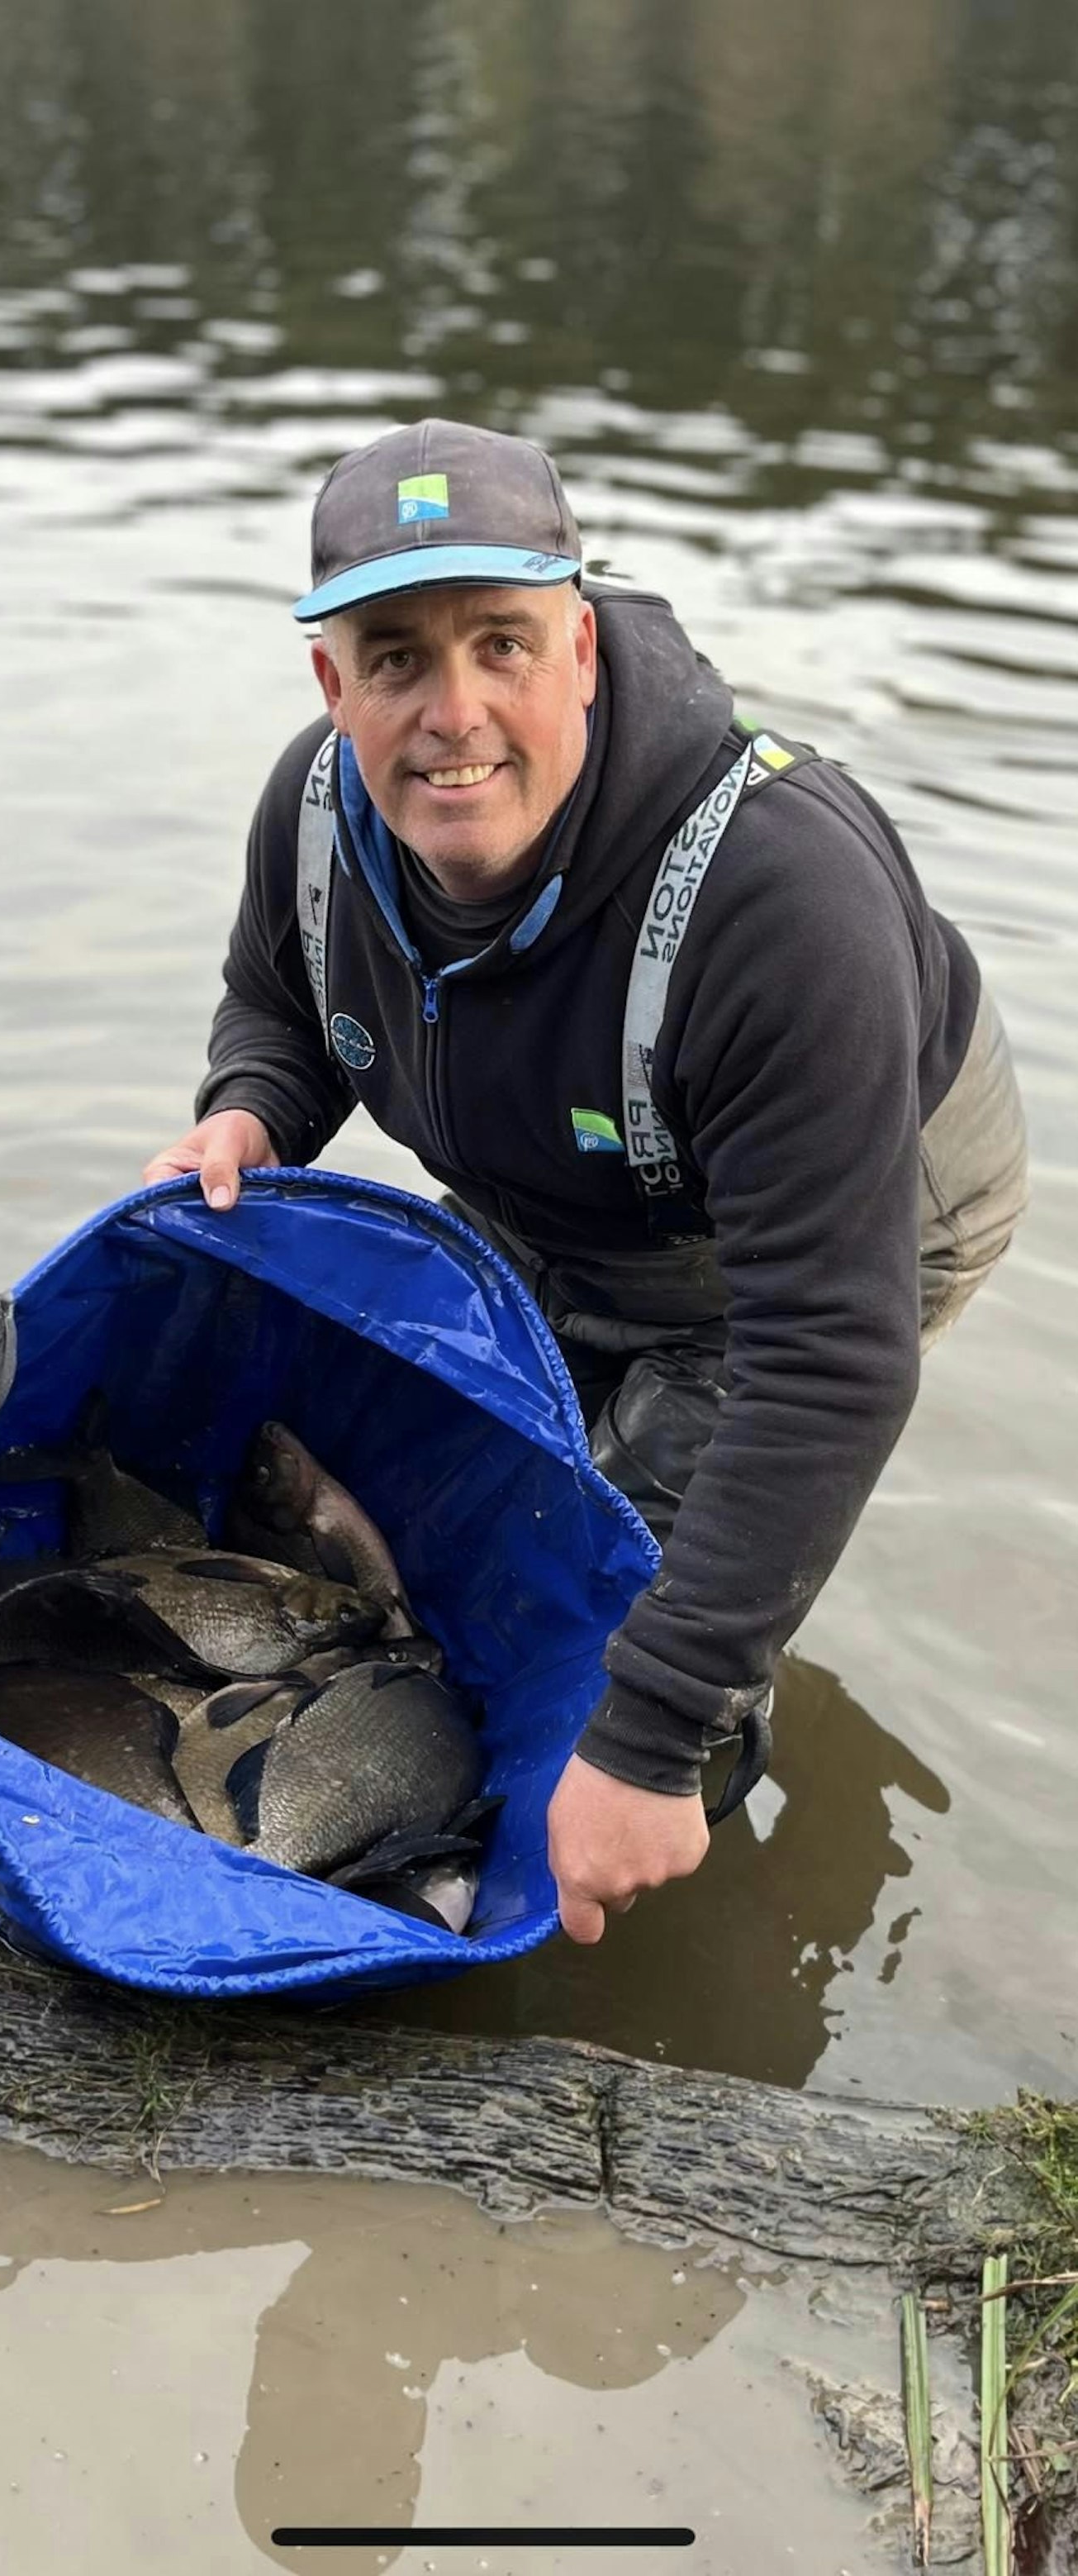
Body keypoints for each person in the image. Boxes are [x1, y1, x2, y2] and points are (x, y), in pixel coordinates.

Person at [145, 417, 1028, 1945]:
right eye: (398, 656)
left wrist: (650, 1732)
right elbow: (280, 1010)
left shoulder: (778, 898)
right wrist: (251, 1113)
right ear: (331, 681)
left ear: (584, 649)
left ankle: (677, 1786)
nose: (455, 713)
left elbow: (828, 1358)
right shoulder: (309, 815)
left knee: (603, 1597)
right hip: (556, 1165)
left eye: (502, 643)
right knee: (454, 1507)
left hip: (851, 1219)